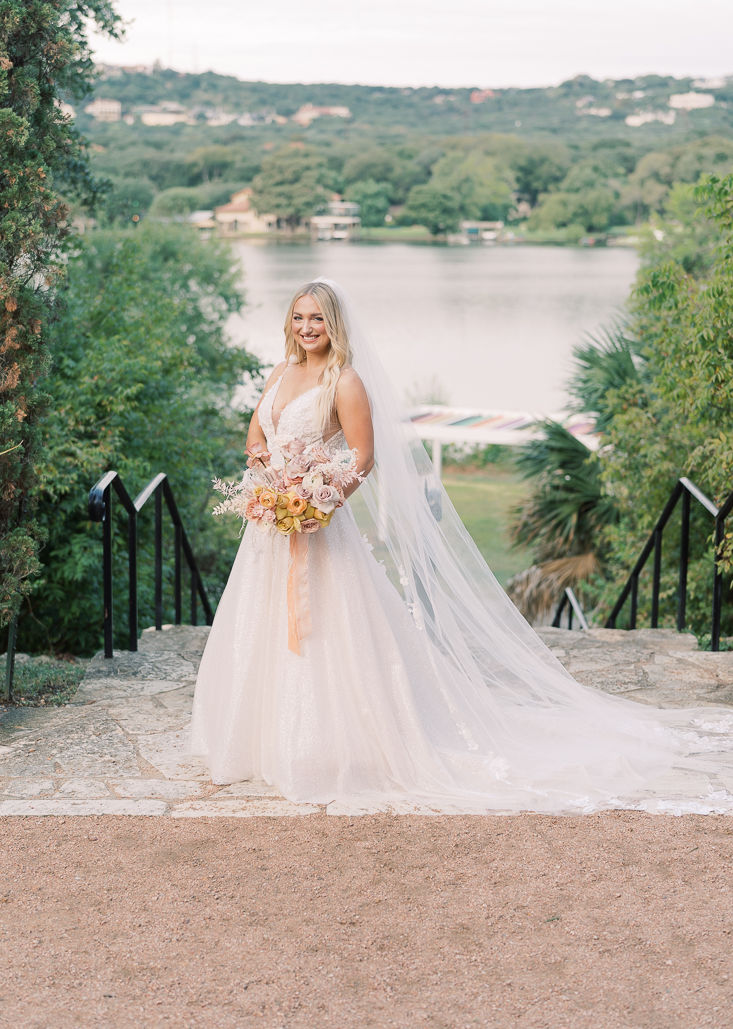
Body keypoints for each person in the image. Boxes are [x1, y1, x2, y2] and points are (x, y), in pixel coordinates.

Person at [190, 278, 733, 814]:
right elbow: (256, 438)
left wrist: (317, 502)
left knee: (330, 635)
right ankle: (258, 740)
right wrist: (268, 482)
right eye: (299, 317)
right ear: (289, 321)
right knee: (257, 629)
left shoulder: (346, 382)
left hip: (318, 530)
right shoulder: (281, 371)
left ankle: (326, 746)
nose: (307, 328)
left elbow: (362, 458)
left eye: (318, 319)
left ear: (335, 326)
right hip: (268, 532)